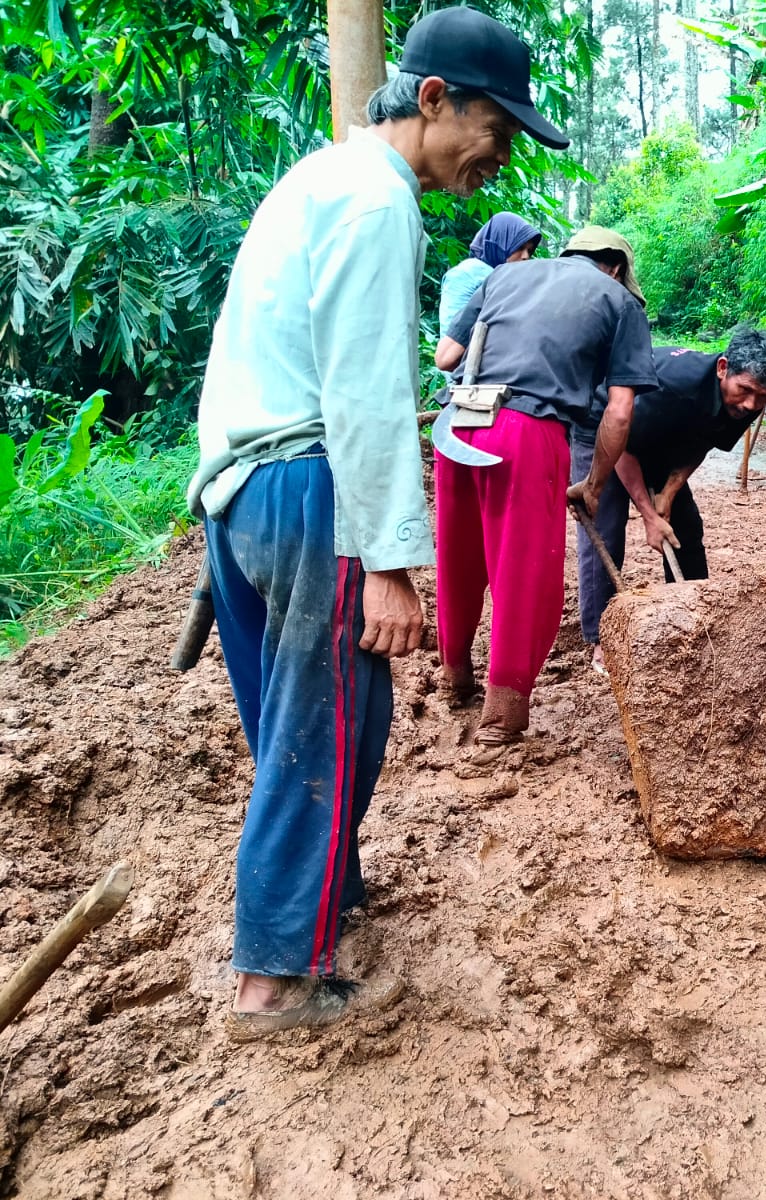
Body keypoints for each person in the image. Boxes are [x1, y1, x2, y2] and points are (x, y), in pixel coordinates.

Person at [187, 6, 568, 1040]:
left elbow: (251, 347)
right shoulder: (378, 201)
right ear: (435, 99)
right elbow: (360, 391)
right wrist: (392, 561)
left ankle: (319, 904)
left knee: (292, 725)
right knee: (334, 726)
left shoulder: (318, 179)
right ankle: (275, 983)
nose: (501, 155)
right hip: (312, 489)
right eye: (497, 127)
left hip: (243, 485)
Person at [432, 227, 655, 757]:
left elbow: (446, 356)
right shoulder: (619, 302)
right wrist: (595, 484)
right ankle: (501, 720)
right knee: (523, 576)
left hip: (458, 421)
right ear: (617, 268)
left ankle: (455, 676)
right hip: (527, 432)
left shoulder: (505, 275)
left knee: (459, 559)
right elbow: (620, 410)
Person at [573, 326, 766, 673]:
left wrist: (670, 493)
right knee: (606, 528)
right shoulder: (675, 388)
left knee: (685, 527)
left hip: (663, 435)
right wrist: (648, 514)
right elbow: (624, 447)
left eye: (762, 396)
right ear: (723, 368)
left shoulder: (746, 402)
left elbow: (702, 441)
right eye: (745, 391)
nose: (751, 403)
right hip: (606, 428)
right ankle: (601, 637)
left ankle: (694, 614)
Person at [439, 213, 540, 330]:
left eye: (529, 250)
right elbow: (451, 331)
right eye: (520, 248)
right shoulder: (467, 274)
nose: (525, 256)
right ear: (500, 242)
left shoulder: (510, 279)